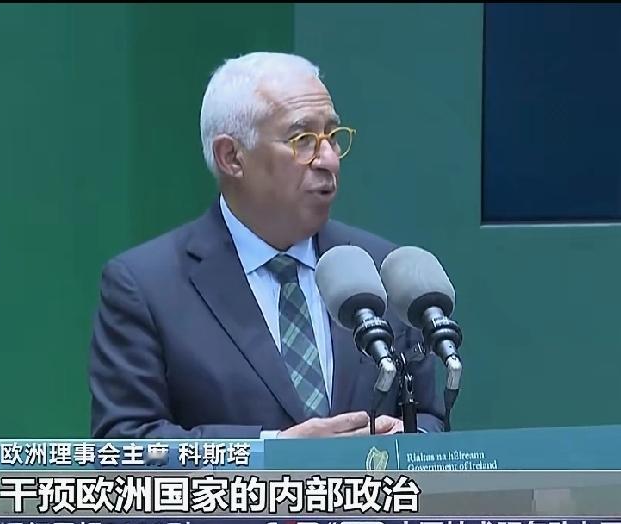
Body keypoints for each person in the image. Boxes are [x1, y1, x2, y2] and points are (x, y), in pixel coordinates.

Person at [88, 52, 444, 439]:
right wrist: (271, 452)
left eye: (332, 136)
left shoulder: (381, 271)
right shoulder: (147, 286)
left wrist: (408, 440)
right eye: (303, 140)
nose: (328, 160)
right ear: (231, 157)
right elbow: (125, 443)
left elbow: (429, 418)